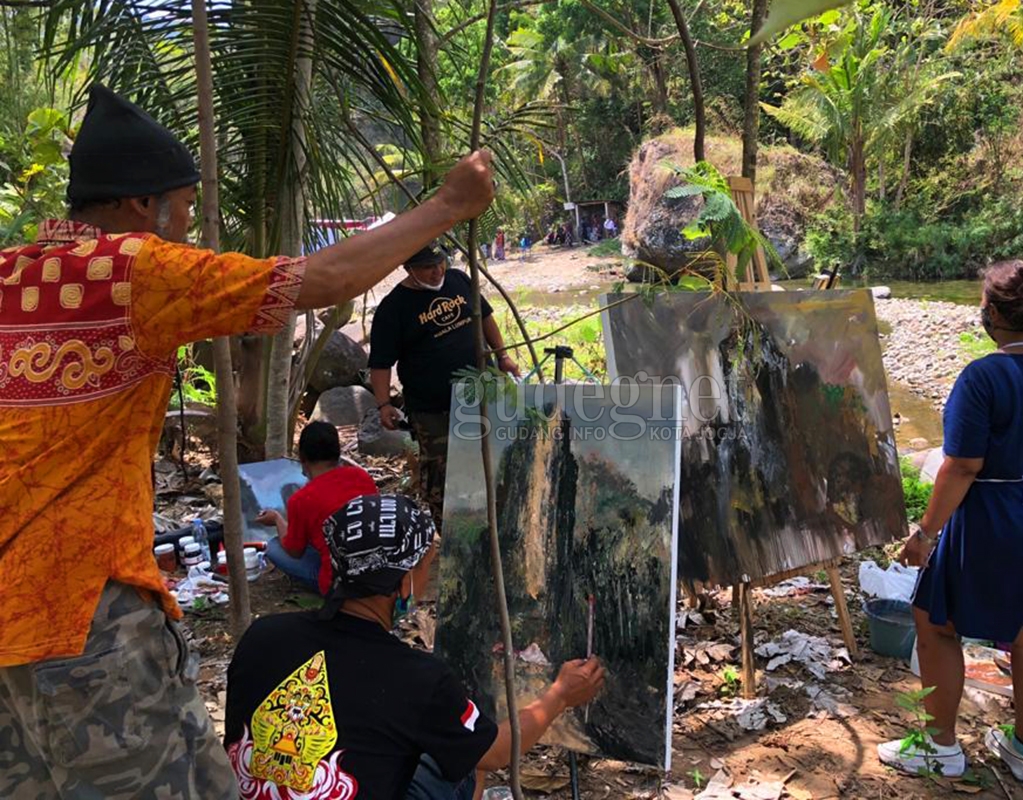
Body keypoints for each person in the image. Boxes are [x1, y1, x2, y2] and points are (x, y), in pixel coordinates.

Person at [0, 84, 493, 798]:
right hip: (83, 617)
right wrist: (449, 205)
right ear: (143, 206)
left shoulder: (9, 270)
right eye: (186, 208)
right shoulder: (137, 267)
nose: (189, 226)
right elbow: (324, 278)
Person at [224, 494, 605, 799]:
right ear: (405, 579)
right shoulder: (416, 678)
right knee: (468, 765)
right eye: (427, 564)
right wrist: (560, 694)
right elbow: (497, 750)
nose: (428, 576)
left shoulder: (262, 635)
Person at [877, 261, 1023, 788]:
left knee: (934, 620)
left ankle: (940, 747)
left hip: (998, 515)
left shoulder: (983, 376)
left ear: (991, 312)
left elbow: (963, 466)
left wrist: (924, 534)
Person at [368, 245, 520, 531]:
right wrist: (383, 403)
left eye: (440, 262)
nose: (437, 270)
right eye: (427, 267)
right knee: (442, 472)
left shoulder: (458, 280)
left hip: (482, 391)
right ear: (409, 269)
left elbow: (485, 317)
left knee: (495, 457)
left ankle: (499, 525)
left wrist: (503, 356)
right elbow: (380, 363)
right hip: (432, 407)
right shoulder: (393, 308)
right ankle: (452, 534)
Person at [257, 421, 378, 594]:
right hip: (375, 570)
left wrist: (277, 519)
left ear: (302, 458)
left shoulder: (302, 499)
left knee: (274, 547)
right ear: (338, 453)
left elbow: (294, 552)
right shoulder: (361, 476)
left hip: (339, 584)